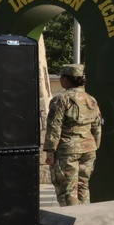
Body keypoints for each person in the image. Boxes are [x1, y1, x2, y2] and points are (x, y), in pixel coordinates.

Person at [44, 64, 102, 206]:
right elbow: (97, 126)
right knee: (83, 187)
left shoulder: (61, 100)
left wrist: (50, 152)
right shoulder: (91, 99)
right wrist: (94, 145)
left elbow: (54, 127)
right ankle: (86, 221)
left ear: (66, 79)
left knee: (68, 190)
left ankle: (71, 224)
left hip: (67, 151)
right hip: (89, 149)